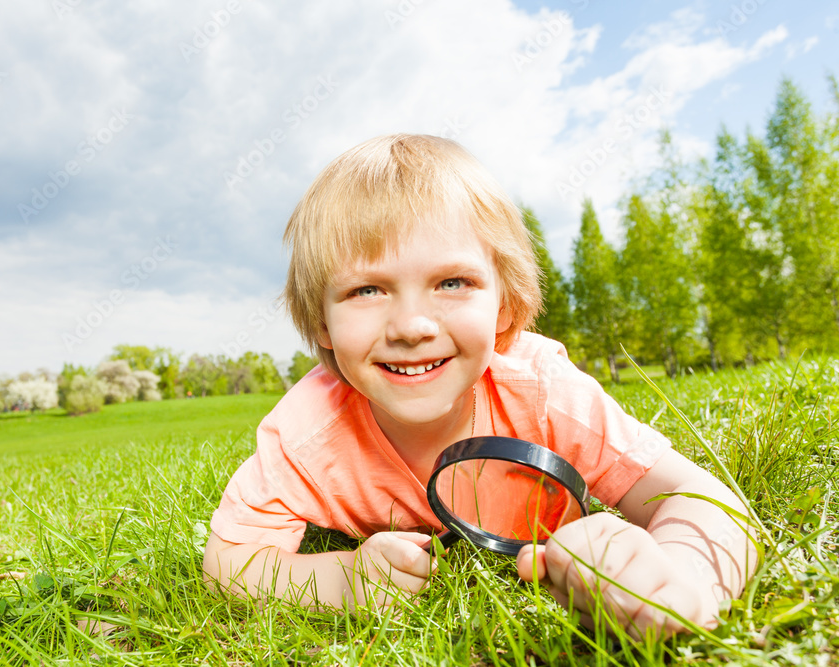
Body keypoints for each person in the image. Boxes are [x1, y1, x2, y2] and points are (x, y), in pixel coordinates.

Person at [203, 134, 757, 637]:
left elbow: (704, 500)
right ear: (322, 321)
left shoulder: (542, 391)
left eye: (452, 282)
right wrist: (345, 581)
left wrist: (683, 577)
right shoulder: (306, 433)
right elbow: (229, 563)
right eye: (368, 290)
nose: (411, 327)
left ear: (505, 306)